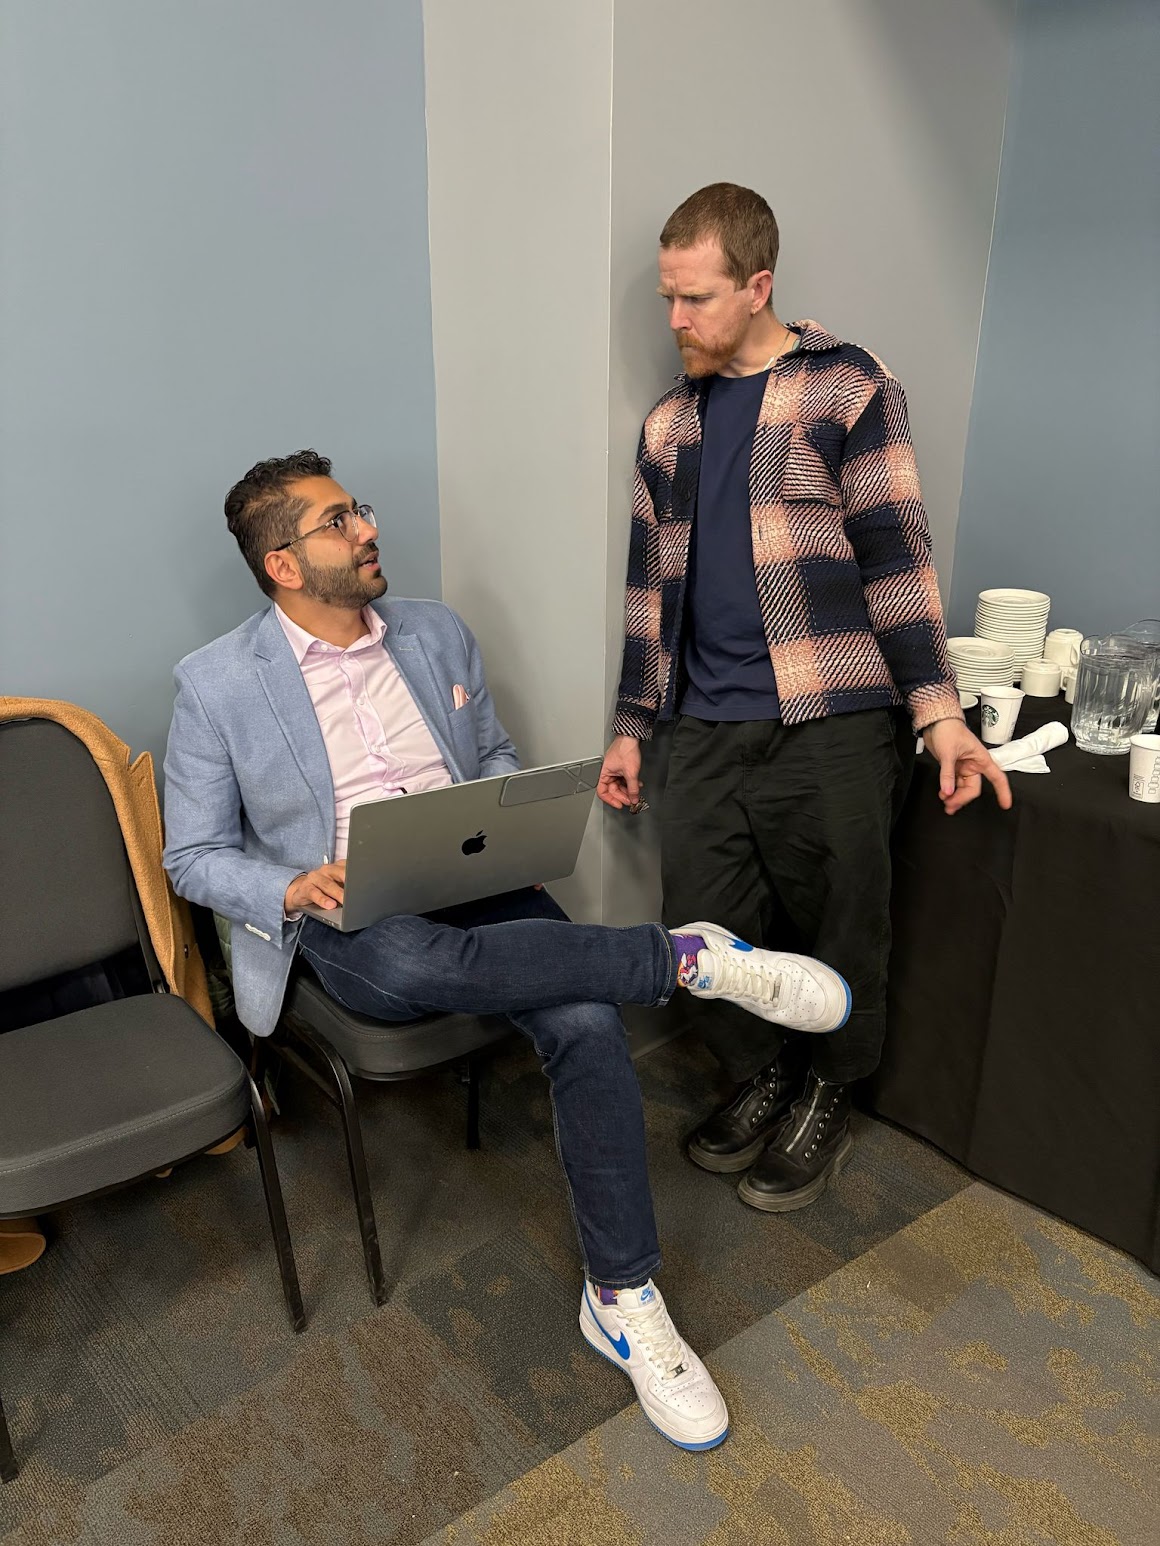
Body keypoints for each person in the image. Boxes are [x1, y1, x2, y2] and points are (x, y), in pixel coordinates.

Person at [162, 449, 854, 1453]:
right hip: (351, 910)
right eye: (336, 520)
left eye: (360, 507)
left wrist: (503, 809)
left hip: (475, 875)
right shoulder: (216, 685)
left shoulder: (435, 630)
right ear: (280, 561)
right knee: (410, 966)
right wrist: (288, 884)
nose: (366, 529)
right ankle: (678, 959)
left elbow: (489, 757)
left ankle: (620, 1296)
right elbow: (193, 854)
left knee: (580, 1018)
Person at [599, 184, 1011, 1217]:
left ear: (757, 285)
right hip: (701, 724)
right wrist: (630, 725)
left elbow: (895, 560)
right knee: (703, 933)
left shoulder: (848, 389)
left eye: (693, 299)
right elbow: (648, 594)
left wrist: (938, 714)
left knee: (839, 921)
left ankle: (827, 1088)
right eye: (666, 299)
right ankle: (764, 1071)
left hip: (831, 718)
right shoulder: (666, 428)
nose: (674, 322)